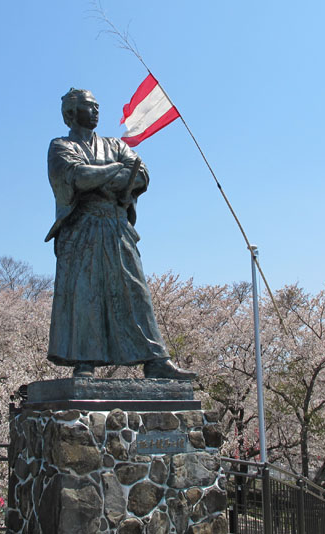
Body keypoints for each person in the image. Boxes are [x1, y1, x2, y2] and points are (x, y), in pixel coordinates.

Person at [45, 88, 196, 380]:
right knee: (85, 293)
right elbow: (77, 177)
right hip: (81, 227)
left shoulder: (115, 143)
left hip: (116, 225)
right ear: (71, 113)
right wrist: (115, 171)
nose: (97, 111)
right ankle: (84, 361)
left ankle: (155, 359)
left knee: (134, 289)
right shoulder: (60, 145)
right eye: (90, 106)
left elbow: (141, 175)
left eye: (98, 106)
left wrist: (101, 177)